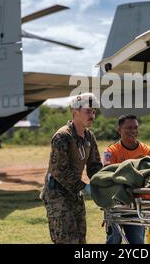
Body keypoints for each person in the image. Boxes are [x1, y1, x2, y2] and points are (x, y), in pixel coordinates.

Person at [40, 93, 102, 244]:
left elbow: (94, 166)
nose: (92, 115)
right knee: (66, 239)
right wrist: (84, 187)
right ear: (76, 112)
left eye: (94, 111)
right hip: (57, 194)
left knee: (81, 238)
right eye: (88, 111)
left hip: (74, 192)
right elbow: (59, 171)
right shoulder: (62, 136)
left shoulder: (89, 136)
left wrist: (102, 183)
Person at [104, 114, 150, 244]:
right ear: (119, 130)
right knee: (114, 239)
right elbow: (107, 176)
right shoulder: (111, 151)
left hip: (136, 203)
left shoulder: (147, 151)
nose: (133, 131)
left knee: (137, 240)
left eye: (135, 127)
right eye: (129, 127)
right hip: (116, 202)